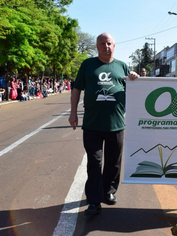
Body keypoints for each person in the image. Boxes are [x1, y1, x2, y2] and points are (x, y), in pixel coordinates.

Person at [69, 32, 139, 216]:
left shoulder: (122, 66)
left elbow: (136, 90)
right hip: (92, 125)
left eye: (108, 43)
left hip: (116, 124)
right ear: (97, 46)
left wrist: (135, 77)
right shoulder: (87, 65)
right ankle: (93, 201)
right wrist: (73, 113)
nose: (105, 46)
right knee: (94, 162)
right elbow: (76, 89)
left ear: (114, 46)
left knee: (113, 163)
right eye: (102, 43)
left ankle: (109, 192)